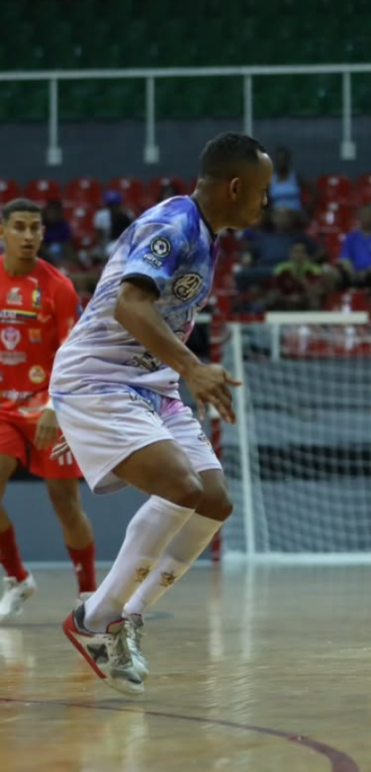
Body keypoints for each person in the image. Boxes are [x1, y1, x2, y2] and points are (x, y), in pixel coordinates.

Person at [52, 132, 272, 695]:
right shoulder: (172, 225)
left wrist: (179, 372)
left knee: (214, 499)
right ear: (236, 186)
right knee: (179, 484)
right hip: (99, 377)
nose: (266, 204)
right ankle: (98, 618)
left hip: (151, 381)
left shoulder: (208, 232)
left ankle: (127, 615)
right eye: (263, 192)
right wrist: (194, 368)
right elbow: (130, 304)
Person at [0, 199, 96, 620]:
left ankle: (88, 595)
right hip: (3, 407)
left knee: (64, 502)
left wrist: (55, 406)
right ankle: (18, 578)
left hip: (50, 406)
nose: (27, 235)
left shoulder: (58, 286)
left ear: (42, 234)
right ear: (2, 231)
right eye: (18, 227)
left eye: (34, 228)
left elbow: (73, 355)